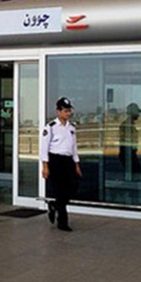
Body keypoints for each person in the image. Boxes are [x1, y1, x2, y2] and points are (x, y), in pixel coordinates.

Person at [41, 97, 82, 232]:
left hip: (68, 161)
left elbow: (74, 147)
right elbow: (44, 148)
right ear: (58, 111)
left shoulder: (71, 127)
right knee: (59, 190)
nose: (68, 113)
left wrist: (77, 164)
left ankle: (54, 205)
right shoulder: (51, 127)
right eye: (65, 111)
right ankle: (62, 222)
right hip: (55, 160)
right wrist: (45, 166)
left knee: (72, 187)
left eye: (69, 111)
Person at [119, 102, 141, 178]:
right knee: (136, 172)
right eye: (137, 113)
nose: (138, 115)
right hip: (128, 152)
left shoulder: (129, 124)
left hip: (129, 152)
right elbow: (126, 140)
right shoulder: (127, 125)